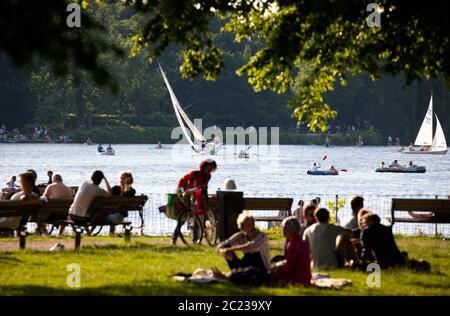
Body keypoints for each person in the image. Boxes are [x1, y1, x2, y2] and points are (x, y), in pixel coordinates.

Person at [271, 216, 312, 286]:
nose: (283, 230)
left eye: (285, 228)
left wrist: (276, 269)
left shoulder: (294, 244)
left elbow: (289, 267)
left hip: (298, 279)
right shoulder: (298, 241)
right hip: (304, 277)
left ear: (292, 229)